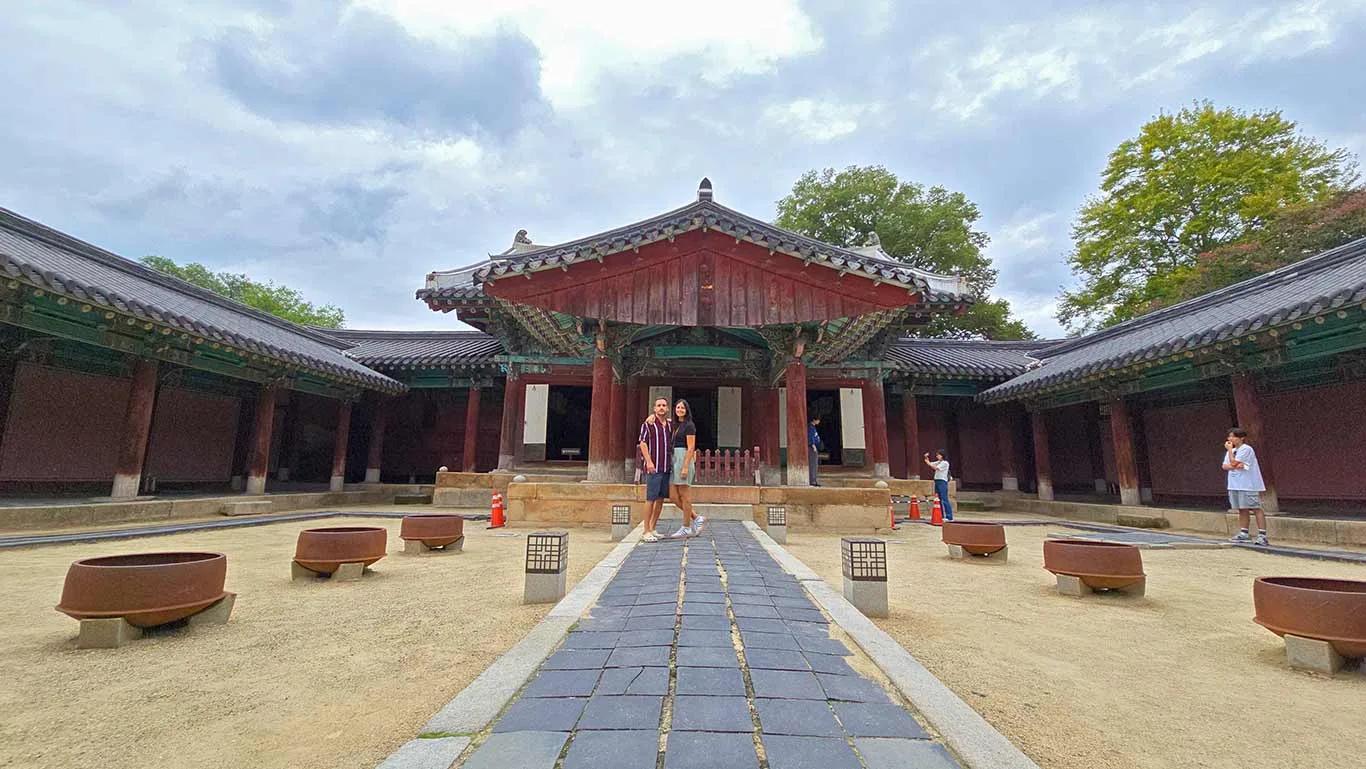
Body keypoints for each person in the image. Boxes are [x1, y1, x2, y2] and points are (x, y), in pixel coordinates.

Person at [667, 399, 706, 538]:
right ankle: (696, 518)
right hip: (674, 459)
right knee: (673, 496)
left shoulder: (689, 426)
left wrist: (685, 467)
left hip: (683, 457)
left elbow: (691, 447)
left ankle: (686, 527)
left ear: (687, 410)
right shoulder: (675, 424)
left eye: (682, 408)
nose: (680, 410)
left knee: (685, 495)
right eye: (678, 407)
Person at [1223, 428, 1269, 546]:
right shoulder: (1232, 451)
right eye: (1229, 437)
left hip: (1248, 484)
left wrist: (1233, 461)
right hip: (1234, 484)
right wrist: (1233, 461)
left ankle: (1262, 535)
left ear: (1241, 438)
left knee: (1255, 508)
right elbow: (1225, 466)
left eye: (1233, 436)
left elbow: (1234, 463)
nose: (1230, 439)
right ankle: (1244, 533)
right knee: (1241, 509)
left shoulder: (1246, 449)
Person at [637, 397, 672, 542]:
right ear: (654, 408)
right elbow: (643, 443)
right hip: (654, 466)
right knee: (650, 498)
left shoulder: (670, 425)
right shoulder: (648, 424)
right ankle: (646, 531)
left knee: (660, 498)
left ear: (668, 408)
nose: (661, 408)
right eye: (659, 405)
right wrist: (649, 461)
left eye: (664, 405)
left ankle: (653, 527)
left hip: (666, 466)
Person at [923, 450, 954, 521]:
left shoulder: (945, 463)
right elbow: (930, 464)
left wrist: (928, 463)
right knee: (938, 499)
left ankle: (949, 516)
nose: (937, 456)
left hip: (942, 481)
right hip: (937, 481)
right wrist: (926, 457)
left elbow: (935, 468)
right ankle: (941, 515)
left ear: (942, 455)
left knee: (944, 499)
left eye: (938, 455)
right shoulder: (938, 462)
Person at [808, 416, 824, 486]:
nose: (819, 421)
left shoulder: (813, 427)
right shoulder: (810, 427)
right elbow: (810, 437)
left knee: (814, 464)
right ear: (814, 420)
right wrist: (813, 445)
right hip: (812, 448)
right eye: (818, 420)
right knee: (813, 464)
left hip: (814, 447)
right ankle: (812, 480)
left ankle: (813, 479)